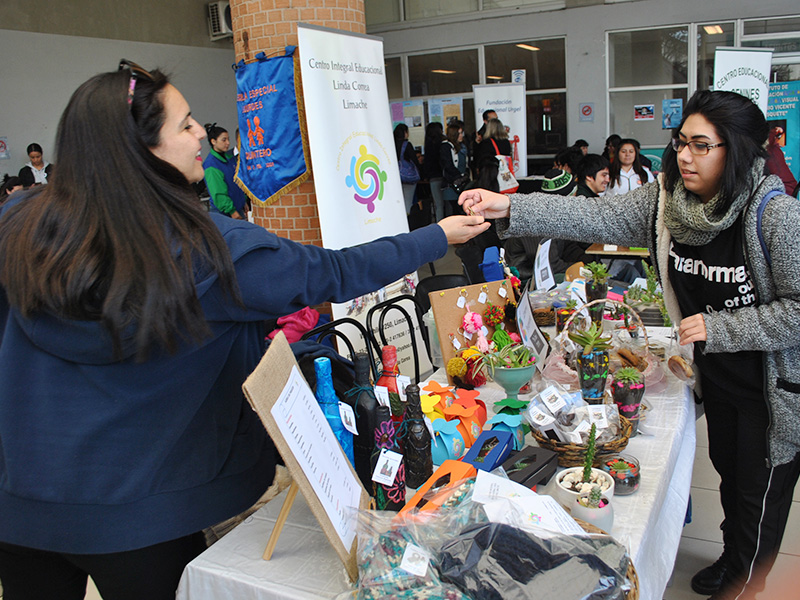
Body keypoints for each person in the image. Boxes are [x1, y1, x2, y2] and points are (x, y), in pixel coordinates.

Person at [0, 61, 489, 600]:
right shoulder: (210, 249)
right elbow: (336, 271)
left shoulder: (21, 225)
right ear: (142, 152)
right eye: (185, 126)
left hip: (20, 508)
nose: (200, 139)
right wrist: (436, 236)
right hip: (135, 517)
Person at [461, 89, 800, 600]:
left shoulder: (774, 215)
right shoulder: (669, 202)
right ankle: (735, 560)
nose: (685, 155)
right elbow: (593, 218)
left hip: (769, 391)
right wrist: (507, 205)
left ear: (738, 150)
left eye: (702, 146)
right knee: (732, 477)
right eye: (681, 142)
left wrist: (722, 328)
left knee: (760, 494)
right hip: (719, 380)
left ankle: (748, 582)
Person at [504, 169, 590, 283]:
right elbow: (550, 265)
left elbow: (568, 247)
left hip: (545, 272)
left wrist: (587, 260)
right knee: (582, 282)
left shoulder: (556, 215)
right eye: (575, 195)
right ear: (566, 200)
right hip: (526, 278)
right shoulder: (536, 220)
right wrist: (582, 269)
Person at [203, 123, 249, 219]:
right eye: (224, 140)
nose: (228, 143)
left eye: (228, 139)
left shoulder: (229, 158)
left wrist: (243, 201)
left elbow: (237, 183)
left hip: (237, 209)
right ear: (213, 141)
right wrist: (232, 211)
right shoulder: (211, 165)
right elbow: (219, 194)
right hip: (226, 214)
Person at [440, 119, 469, 217]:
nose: (461, 135)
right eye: (459, 133)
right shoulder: (446, 146)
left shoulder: (461, 147)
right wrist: (458, 177)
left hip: (461, 182)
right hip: (452, 183)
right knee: (452, 210)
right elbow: (448, 165)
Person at [394, 123, 420, 215]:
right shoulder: (406, 145)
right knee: (408, 201)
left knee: (397, 202)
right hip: (407, 177)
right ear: (405, 132)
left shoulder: (391, 144)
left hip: (394, 177)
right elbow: (414, 160)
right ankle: (407, 223)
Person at [422, 121, 445, 222]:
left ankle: (440, 225)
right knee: (447, 204)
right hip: (444, 176)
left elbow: (427, 162)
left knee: (438, 204)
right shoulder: (444, 143)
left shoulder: (428, 144)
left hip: (434, 177)